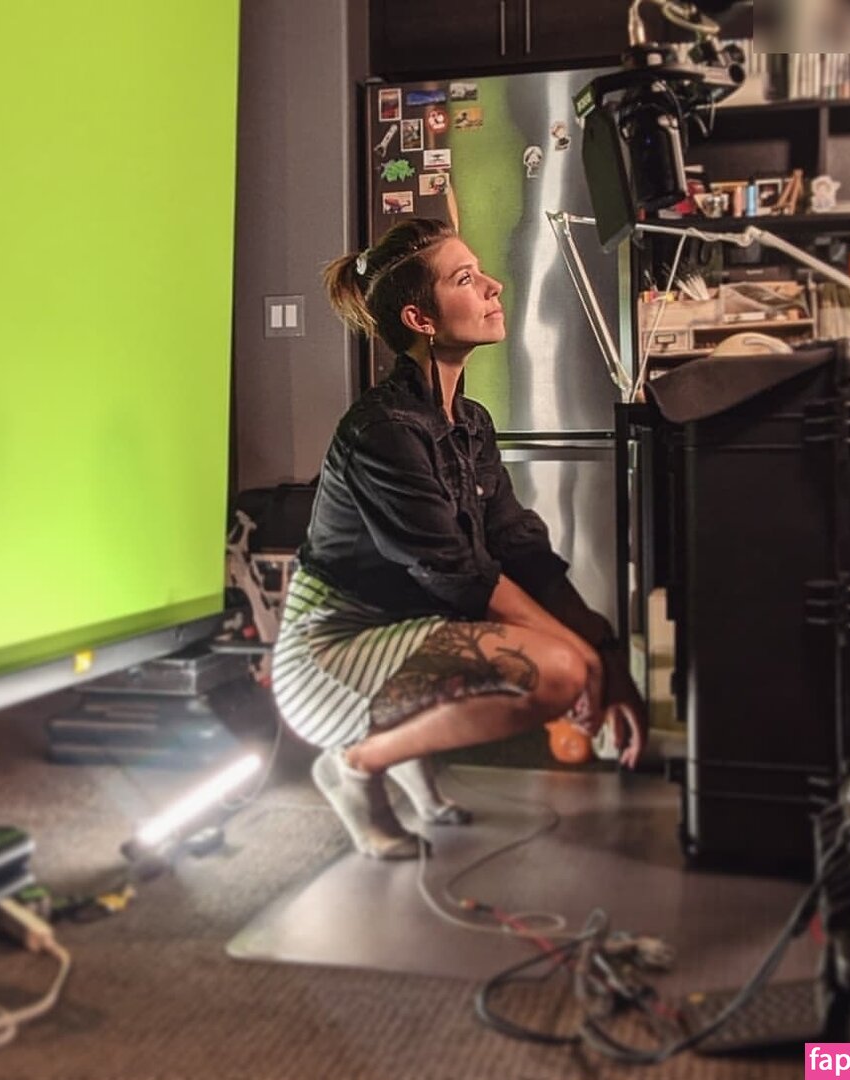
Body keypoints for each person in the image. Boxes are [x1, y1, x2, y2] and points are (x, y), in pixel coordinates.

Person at [271, 217, 647, 860]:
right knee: (556, 670)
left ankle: (402, 762)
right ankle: (356, 764)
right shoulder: (383, 430)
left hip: (406, 628)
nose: (494, 286)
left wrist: (606, 653)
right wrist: (581, 661)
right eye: (466, 279)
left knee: (567, 655)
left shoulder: (469, 421)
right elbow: (459, 575)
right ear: (421, 319)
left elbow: (521, 550)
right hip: (328, 653)